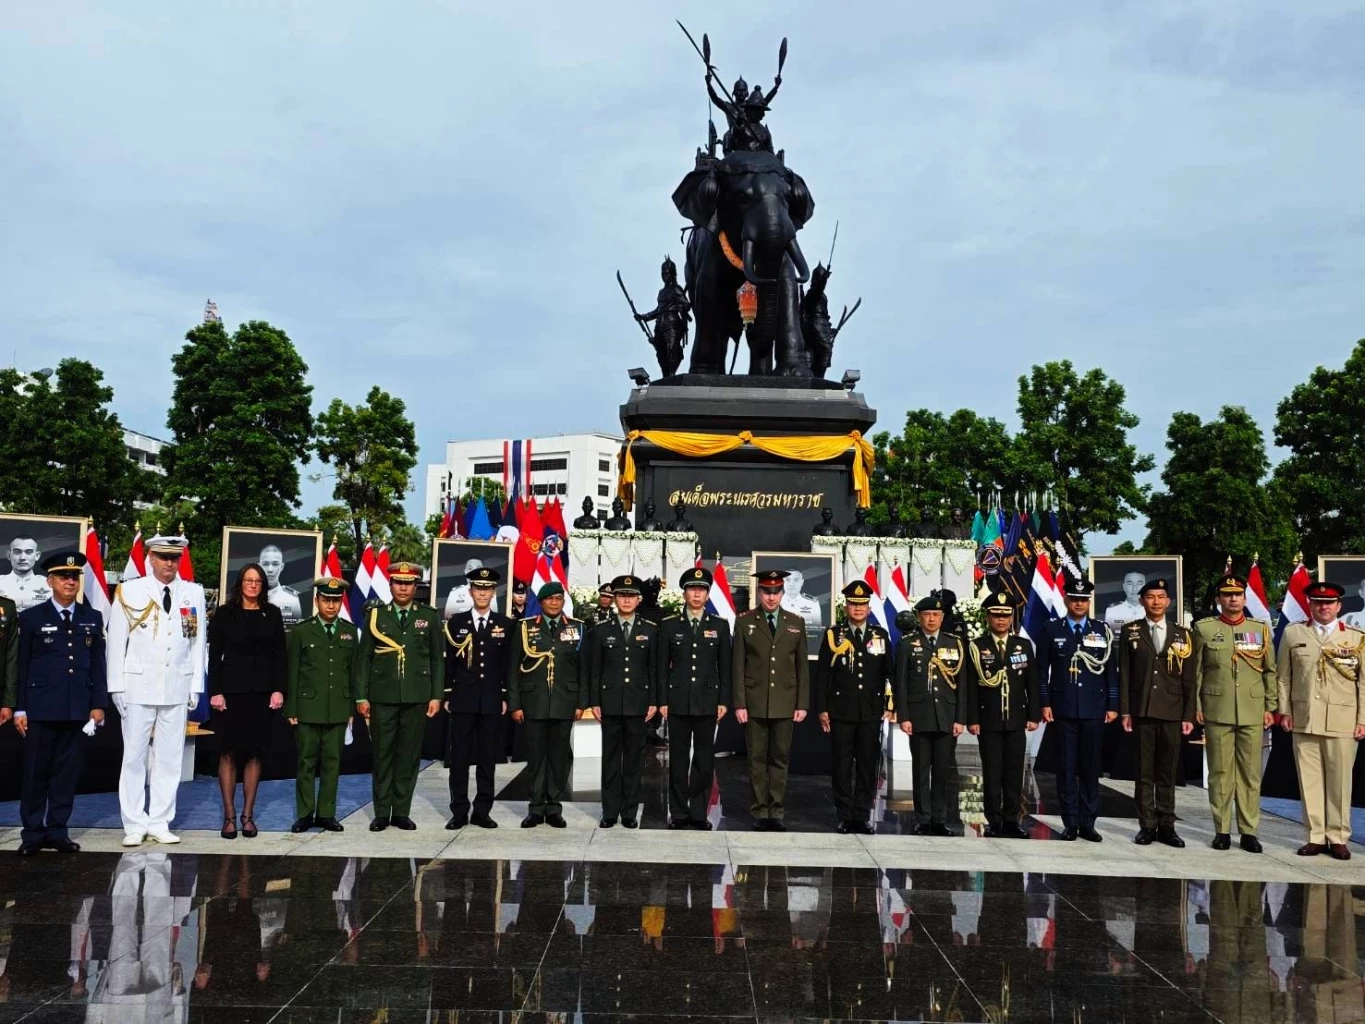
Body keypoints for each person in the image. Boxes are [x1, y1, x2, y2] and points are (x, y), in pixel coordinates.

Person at [106, 534, 207, 846]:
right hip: (137, 686)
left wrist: (195, 685)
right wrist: (116, 687)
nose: (169, 563)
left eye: (175, 558)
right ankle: (134, 823)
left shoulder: (193, 593)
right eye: (163, 557)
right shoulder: (131, 589)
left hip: (176, 685)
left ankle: (160, 820)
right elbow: (115, 641)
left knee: (169, 758)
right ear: (150, 557)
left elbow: (196, 641)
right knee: (134, 757)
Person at [4, 552, 105, 855]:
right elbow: (20, 666)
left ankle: (58, 830)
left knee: (66, 774)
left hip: (77, 709)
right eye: (63, 577)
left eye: (74, 577)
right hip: (41, 708)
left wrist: (98, 704)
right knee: (35, 773)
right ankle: (33, 833)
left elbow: (98, 664)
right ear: (50, 581)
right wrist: (20, 707)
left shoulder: (92, 617)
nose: (70, 582)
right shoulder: (32, 617)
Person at [1276, 581, 1365, 861]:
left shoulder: (1355, 637)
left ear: (1339, 606)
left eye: (1329, 603)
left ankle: (1337, 837)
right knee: (1309, 781)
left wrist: (1362, 719)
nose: (1323, 607)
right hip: (1305, 718)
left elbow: (1364, 683)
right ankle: (1315, 836)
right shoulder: (1294, 633)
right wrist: (1285, 711)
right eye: (1317, 602)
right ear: (1310, 605)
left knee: (1340, 782)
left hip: (1343, 719)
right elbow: (1284, 677)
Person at [354, 560, 443, 832]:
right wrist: (361, 696)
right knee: (382, 755)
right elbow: (364, 659)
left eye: (408, 583)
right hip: (383, 696)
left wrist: (436, 695)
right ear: (390, 584)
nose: (403, 587)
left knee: (408, 755)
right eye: (398, 582)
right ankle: (382, 812)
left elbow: (437, 659)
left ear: (416, 586)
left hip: (416, 696)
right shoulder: (376, 615)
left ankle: (401, 811)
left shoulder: (428, 616)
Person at [1193, 573, 1276, 853]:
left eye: (1237, 594)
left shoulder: (1260, 629)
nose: (1233, 599)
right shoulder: (1204, 629)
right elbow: (1197, 673)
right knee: (1219, 773)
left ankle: (1249, 831)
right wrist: (1197, 706)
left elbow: (1269, 671)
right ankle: (1222, 829)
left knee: (1251, 774)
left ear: (1244, 598)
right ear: (1219, 599)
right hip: (1217, 708)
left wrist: (1270, 707)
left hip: (1253, 710)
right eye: (1227, 595)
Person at [207, 562, 287, 840]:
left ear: (263, 586)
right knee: (228, 753)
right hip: (230, 693)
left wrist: (279, 690)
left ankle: (248, 816)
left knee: (255, 754)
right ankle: (229, 817)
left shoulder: (272, 614)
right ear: (239, 583)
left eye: (258, 581)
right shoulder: (224, 614)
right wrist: (214, 691)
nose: (253, 585)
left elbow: (280, 656)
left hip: (262, 694)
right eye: (248, 580)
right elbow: (214, 656)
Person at [1117, 578, 1195, 848]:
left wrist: (1188, 715)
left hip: (1172, 711)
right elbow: (1125, 674)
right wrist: (1125, 710)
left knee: (1167, 772)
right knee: (1144, 772)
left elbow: (1189, 679)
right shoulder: (1131, 631)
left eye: (1161, 596)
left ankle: (1167, 825)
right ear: (1142, 601)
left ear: (1169, 602)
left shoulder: (1183, 634)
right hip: (1143, 710)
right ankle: (1147, 825)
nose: (1156, 601)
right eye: (1150, 597)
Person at [1039, 577, 1117, 843]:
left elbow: (1110, 672)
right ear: (1066, 600)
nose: (1079, 604)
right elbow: (1041, 671)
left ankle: (1088, 822)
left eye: (1083, 600)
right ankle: (1070, 821)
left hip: (1094, 708)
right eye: (1074, 599)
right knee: (1066, 768)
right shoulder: (1051, 629)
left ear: (1089, 602)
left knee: (1090, 768)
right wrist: (1044, 702)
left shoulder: (1101, 630)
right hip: (1062, 708)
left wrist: (1113, 704)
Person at [732, 569, 809, 830]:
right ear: (759, 592)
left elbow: (802, 668)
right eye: (766, 591)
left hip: (785, 702)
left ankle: (776, 810)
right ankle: (759, 811)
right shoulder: (744, 622)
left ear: (782, 593)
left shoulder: (795, 622)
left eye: (776, 592)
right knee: (756, 759)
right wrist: (740, 703)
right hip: (754, 702)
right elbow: (738, 666)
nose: (771, 597)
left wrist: (802, 703)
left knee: (779, 758)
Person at [656, 566, 731, 830]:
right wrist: (662, 700)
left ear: (708, 594)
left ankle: (699, 812)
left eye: (701, 590)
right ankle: (678, 812)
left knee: (703, 759)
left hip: (707, 702)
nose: (696, 594)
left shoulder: (719, 627)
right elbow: (661, 669)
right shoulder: (669, 626)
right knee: (677, 759)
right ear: (684, 593)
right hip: (677, 702)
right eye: (692, 589)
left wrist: (723, 700)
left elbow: (726, 668)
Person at [815, 579, 892, 835]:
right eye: (853, 604)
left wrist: (890, 704)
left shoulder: (879, 635)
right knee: (842, 764)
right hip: (841, 710)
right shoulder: (833, 635)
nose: (857, 609)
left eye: (862, 604)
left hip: (870, 711)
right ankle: (844, 815)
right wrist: (822, 708)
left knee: (868, 765)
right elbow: (823, 675)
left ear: (869, 607)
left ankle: (861, 815)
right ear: (845, 606)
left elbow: (888, 673)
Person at [507, 581, 584, 827]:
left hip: (564, 701)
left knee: (559, 757)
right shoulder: (524, 628)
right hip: (534, 702)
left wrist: (582, 703)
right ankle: (535, 807)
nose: (554, 603)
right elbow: (512, 670)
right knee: (536, 757)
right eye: (549, 599)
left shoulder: (577, 628)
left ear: (563, 602)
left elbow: (584, 670)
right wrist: (514, 704)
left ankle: (554, 807)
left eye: (558, 599)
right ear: (540, 602)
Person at [965, 590, 1039, 839]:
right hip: (989, 719)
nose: (1001, 620)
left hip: (1016, 718)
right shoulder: (977, 647)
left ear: (1011, 618)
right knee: (992, 771)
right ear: (987, 617)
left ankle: (1012, 819)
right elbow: (972, 686)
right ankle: (993, 819)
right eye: (996, 615)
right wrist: (972, 719)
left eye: (1005, 616)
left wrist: (1034, 714)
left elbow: (1032, 682)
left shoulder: (1023, 645)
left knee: (1014, 771)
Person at [284, 578, 357, 833]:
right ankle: (305, 814)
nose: (331, 605)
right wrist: (291, 709)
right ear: (317, 601)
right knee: (306, 762)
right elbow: (292, 672)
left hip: (337, 708)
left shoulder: (349, 631)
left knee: (332, 763)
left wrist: (350, 710)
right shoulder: (302, 631)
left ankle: (326, 813)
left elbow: (352, 672)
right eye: (326, 600)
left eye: (336, 601)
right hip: (307, 707)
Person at [587, 574, 659, 828]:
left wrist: (654, 700)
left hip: (638, 703)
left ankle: (629, 812)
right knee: (610, 759)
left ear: (638, 600)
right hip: (609, 702)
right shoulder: (601, 630)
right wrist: (594, 700)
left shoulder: (650, 630)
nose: (626, 600)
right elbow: (594, 669)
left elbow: (654, 670)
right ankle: (609, 812)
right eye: (621, 595)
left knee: (633, 759)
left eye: (630, 596)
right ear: (614, 599)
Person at [894, 593, 969, 836]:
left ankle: (939, 819)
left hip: (946, 716)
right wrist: (903, 716)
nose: (932, 619)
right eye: (927, 615)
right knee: (920, 770)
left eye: (936, 615)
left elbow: (962, 684)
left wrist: (960, 718)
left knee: (942, 772)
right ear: (919, 617)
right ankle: (922, 819)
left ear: (943, 617)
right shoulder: (908, 644)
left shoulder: (953, 643)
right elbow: (901, 683)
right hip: (919, 715)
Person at [443, 566, 510, 830]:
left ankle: (483, 810)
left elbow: (506, 664)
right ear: (470, 591)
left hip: (492, 700)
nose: (483, 593)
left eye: (488, 589)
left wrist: (504, 695)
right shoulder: (455, 623)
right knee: (459, 758)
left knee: (486, 759)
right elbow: (449, 662)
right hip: (462, 699)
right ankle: (459, 811)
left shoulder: (504, 624)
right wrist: (447, 693)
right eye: (478, 588)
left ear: (493, 592)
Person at [0, 536, 51, 611]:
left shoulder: (49, 585)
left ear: (37, 556)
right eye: (17, 552)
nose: (22, 557)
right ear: (9, 555)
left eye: (29, 552)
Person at [258, 545, 302, 623]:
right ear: (259, 566)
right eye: (265, 564)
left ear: (281, 567)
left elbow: (295, 631)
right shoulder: (248, 596)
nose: (270, 569)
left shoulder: (292, 600)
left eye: (275, 564)